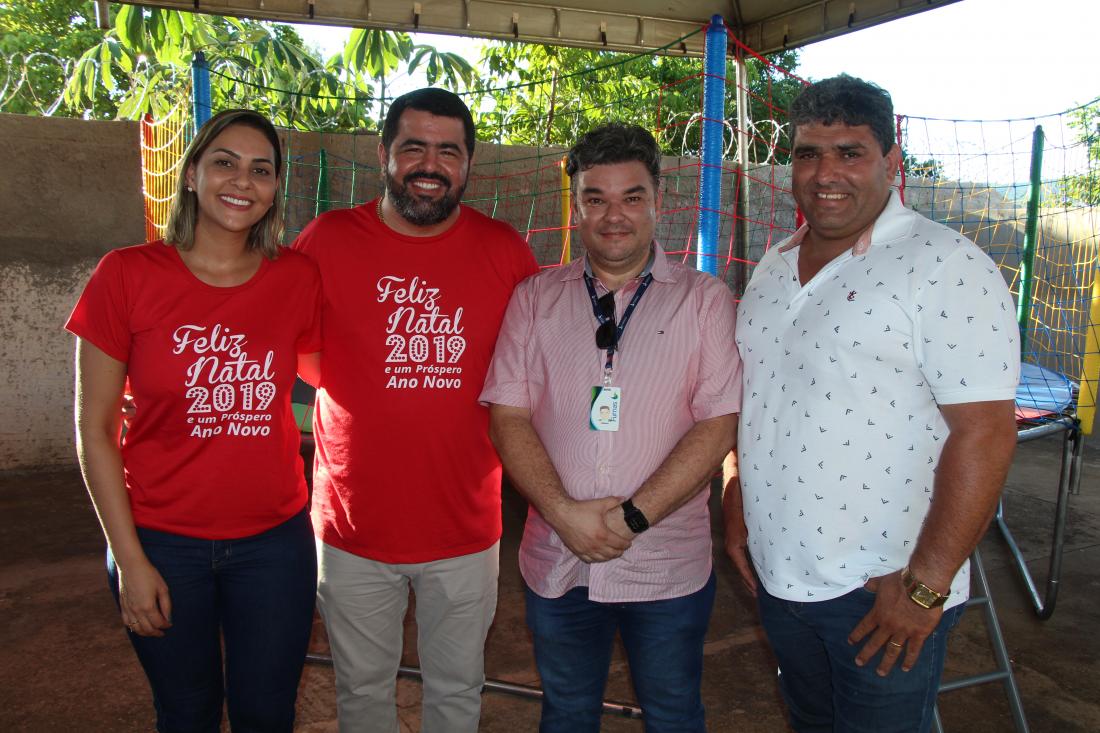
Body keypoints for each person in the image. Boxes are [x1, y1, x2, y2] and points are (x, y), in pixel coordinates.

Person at [724, 75, 1020, 733]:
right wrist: (738, 490)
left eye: (850, 152)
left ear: (892, 164)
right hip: (780, 577)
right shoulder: (774, 263)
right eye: (808, 153)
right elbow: (762, 395)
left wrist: (926, 586)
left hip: (880, 591)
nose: (826, 173)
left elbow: (987, 434)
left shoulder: (945, 264)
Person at [292, 88, 539, 732]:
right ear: (384, 154)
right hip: (351, 528)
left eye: (448, 151)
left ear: (469, 164)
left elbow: (534, 371)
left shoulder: (505, 251)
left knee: (457, 693)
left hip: (464, 528)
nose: (429, 165)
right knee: (362, 693)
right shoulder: (327, 239)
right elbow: (295, 351)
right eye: (414, 148)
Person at [480, 122, 741, 732]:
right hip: (558, 557)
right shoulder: (534, 297)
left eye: (631, 197)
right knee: (567, 713)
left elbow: (719, 422)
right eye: (596, 198)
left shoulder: (705, 301)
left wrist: (630, 519)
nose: (613, 215)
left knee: (674, 714)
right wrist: (564, 514)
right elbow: (508, 415)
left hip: (665, 565)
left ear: (658, 202)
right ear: (576, 206)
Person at [68, 108, 321, 732]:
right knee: (186, 713)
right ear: (189, 176)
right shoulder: (125, 274)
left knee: (267, 713)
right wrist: (129, 560)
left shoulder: (297, 277)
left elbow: (338, 374)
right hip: (159, 542)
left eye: (261, 169)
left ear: (274, 190)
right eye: (224, 162)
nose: (242, 180)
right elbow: (94, 432)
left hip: (275, 545)